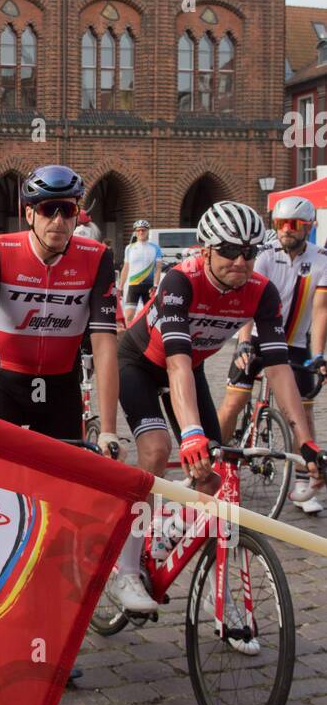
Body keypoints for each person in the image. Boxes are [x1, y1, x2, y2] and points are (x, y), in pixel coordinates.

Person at [116, 200, 326, 625]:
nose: (240, 261)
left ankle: (210, 579)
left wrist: (305, 440)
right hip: (139, 363)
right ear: (204, 249)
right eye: (229, 250)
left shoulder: (261, 291)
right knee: (157, 451)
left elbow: (280, 368)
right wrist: (191, 432)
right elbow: (175, 360)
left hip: (187, 367)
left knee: (215, 475)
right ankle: (124, 569)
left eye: (250, 252)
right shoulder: (181, 280)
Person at [0, 165, 122, 451]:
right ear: (29, 214)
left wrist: (109, 431)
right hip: (5, 380)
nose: (59, 221)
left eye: (68, 210)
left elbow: (105, 345)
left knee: (61, 482)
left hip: (61, 385)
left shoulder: (97, 257)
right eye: (49, 210)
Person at [217, 196, 327, 514]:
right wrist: (244, 343)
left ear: (309, 226)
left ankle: (304, 478)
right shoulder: (263, 254)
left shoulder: (321, 259)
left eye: (294, 225)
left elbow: (320, 313)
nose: (286, 231)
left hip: (293, 342)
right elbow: (249, 300)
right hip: (255, 336)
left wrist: (318, 356)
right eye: (281, 224)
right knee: (234, 402)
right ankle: (217, 461)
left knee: (303, 412)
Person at [118, 219, 163, 327]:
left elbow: (158, 269)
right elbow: (126, 268)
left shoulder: (155, 248)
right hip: (133, 286)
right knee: (128, 316)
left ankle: (147, 339)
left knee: (150, 316)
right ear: (135, 232)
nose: (141, 232)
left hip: (149, 287)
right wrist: (120, 287)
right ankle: (129, 340)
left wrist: (156, 286)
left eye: (143, 230)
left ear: (147, 231)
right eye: (138, 230)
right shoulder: (129, 248)